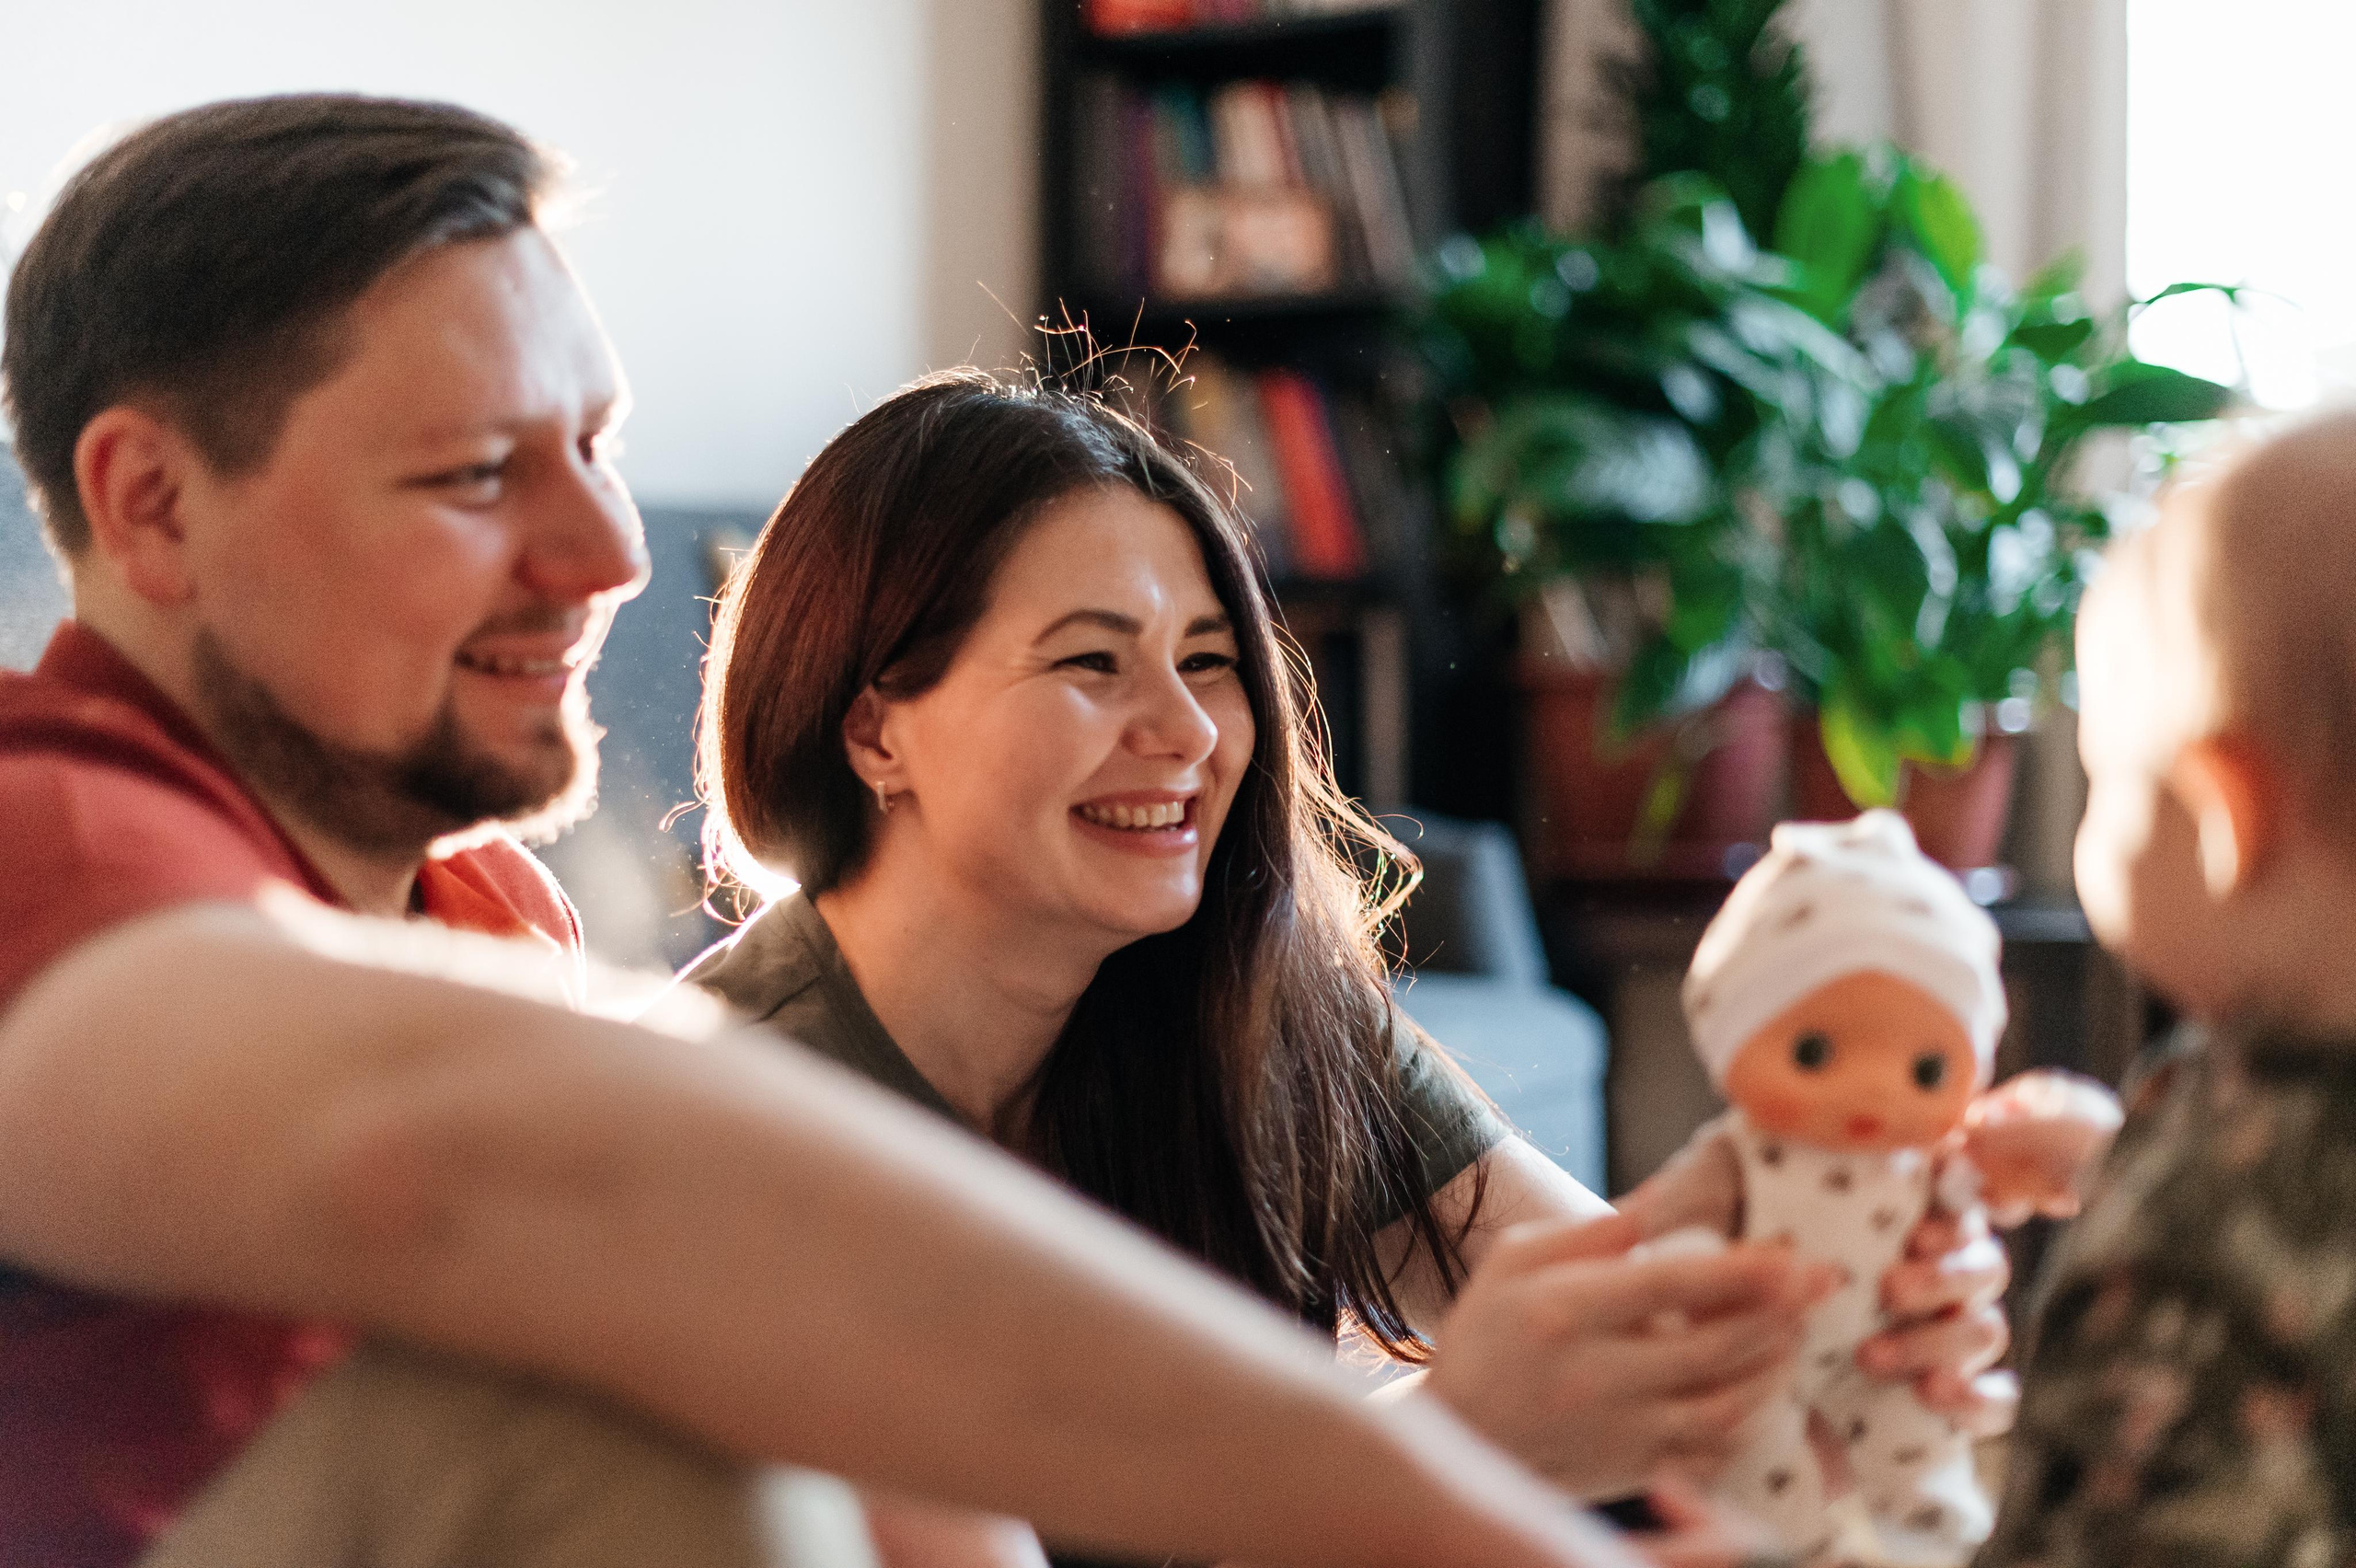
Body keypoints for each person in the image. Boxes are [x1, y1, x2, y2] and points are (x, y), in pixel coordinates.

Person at [0, 92, 1658, 1568]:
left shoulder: (483, 907)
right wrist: (1426, 1484)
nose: (612, 551)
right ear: (152, 502)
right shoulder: (45, 836)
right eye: (476, 475)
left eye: (597, 447)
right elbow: (491, 1151)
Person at [685, 372, 2030, 1558]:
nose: (1188, 731)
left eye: (1209, 662)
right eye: (1094, 662)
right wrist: (1442, 1442)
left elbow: (1614, 1318)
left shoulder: (1248, 999)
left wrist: (1846, 1312)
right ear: (876, 732)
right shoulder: (727, 1125)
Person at [1978, 410, 2356, 1568]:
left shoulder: (2187, 1267)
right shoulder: (2255, 1150)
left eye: (2104, 781)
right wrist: (2118, 1164)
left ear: (2221, 821)